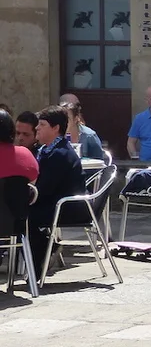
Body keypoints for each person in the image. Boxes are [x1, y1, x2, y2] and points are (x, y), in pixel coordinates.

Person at [29, 106, 87, 270]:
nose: (37, 128)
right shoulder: (46, 150)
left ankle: (37, 264)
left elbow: (44, 189)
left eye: (42, 124)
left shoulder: (60, 154)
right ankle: (45, 250)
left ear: (56, 128)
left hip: (68, 207)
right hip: (53, 202)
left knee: (22, 216)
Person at [0, 109, 39, 182]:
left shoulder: (42, 155)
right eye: (18, 133)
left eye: (26, 134)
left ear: (36, 135)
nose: (20, 138)